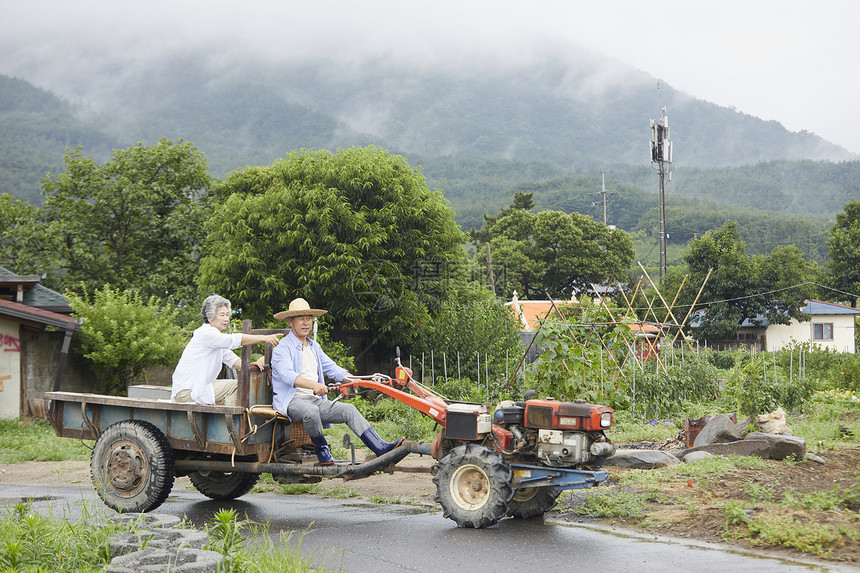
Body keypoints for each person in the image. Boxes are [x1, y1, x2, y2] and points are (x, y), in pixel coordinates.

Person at [270, 297, 404, 465]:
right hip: (292, 401)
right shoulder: (282, 348)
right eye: (301, 319)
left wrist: (358, 380)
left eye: (309, 318)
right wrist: (315, 385)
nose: (306, 323)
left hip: (315, 401)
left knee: (349, 409)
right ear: (290, 322)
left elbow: (332, 369)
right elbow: (288, 376)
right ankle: (322, 450)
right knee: (310, 411)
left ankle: (380, 448)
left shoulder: (314, 347)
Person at [172, 294, 283, 406]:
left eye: (227, 315)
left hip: (194, 389)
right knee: (237, 386)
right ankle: (233, 421)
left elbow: (231, 359)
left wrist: (249, 366)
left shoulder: (214, 338)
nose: (226, 319)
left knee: (236, 385)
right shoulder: (207, 333)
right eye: (222, 315)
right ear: (210, 316)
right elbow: (233, 340)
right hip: (187, 392)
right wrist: (264, 338)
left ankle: (229, 418)